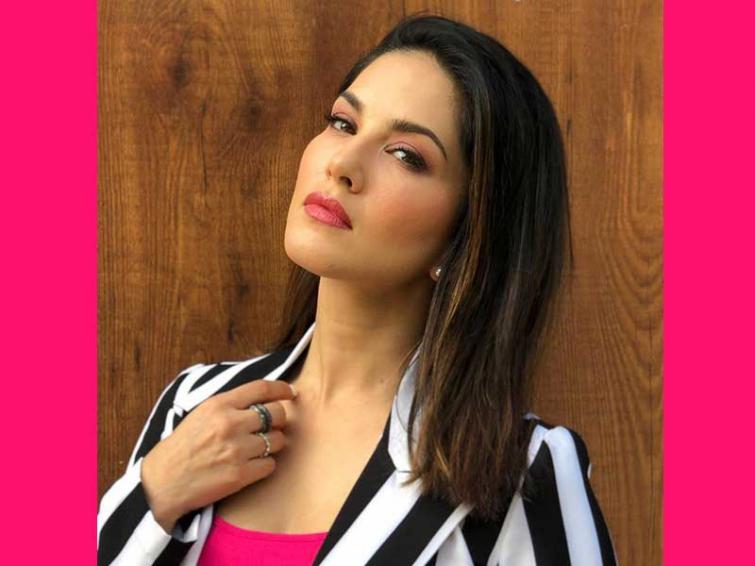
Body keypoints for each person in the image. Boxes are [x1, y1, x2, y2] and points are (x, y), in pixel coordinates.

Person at [97, 13, 617, 566]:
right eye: (343, 123)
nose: (342, 163)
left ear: (468, 233)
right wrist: (152, 494)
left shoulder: (521, 473)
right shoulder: (193, 405)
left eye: (406, 155)